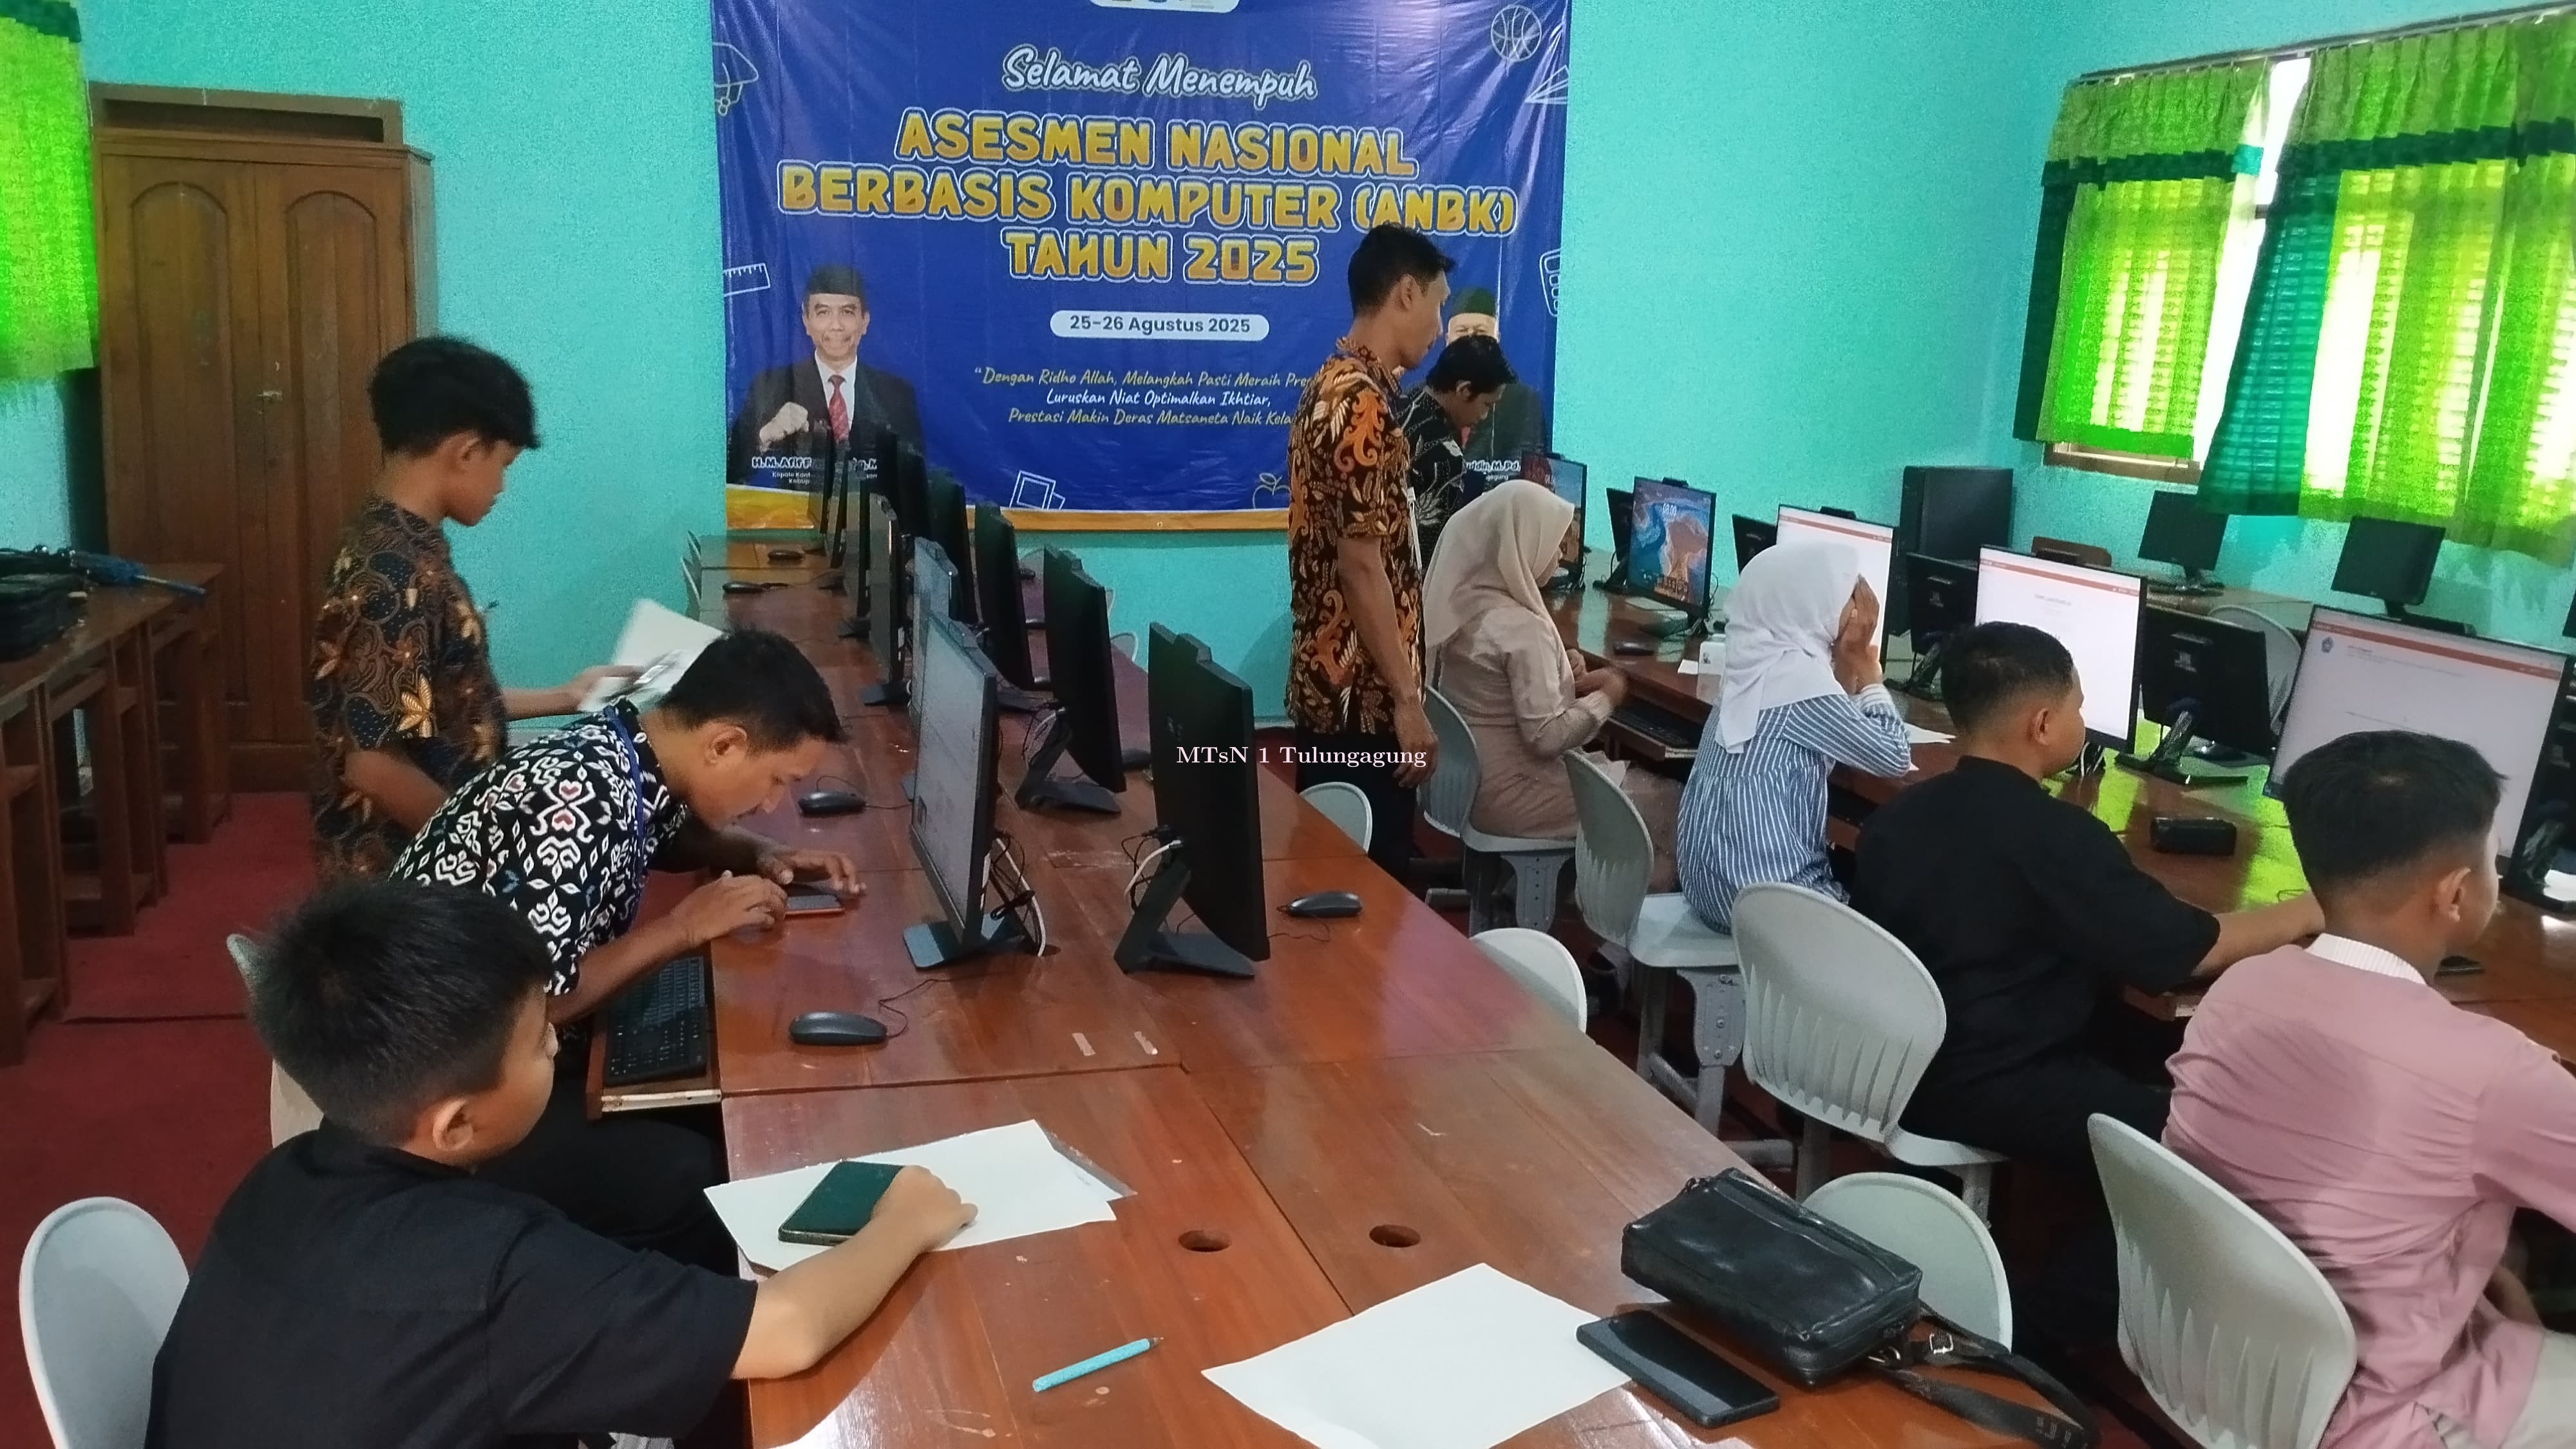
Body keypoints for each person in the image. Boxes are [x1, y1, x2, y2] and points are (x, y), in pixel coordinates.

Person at [146, 878, 973, 1449]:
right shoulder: (497, 1275)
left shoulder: (276, 1181)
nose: (556, 1045)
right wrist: (906, 1220)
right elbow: (787, 1330)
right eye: (541, 1040)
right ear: (457, 1124)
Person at [393, 627, 862, 1273]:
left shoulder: (622, 751)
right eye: (777, 780)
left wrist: (763, 852)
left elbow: (662, 834)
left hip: (499, 1053)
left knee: (712, 1096)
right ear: (724, 745)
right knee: (689, 1173)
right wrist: (683, 928)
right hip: (447, 1098)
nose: (773, 803)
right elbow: (538, 1002)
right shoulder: (574, 800)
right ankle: (693, 1322)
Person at [2167, 732, 2576, 1449]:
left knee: (2508, 1273)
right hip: (2376, 1416)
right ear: (2456, 893)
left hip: (2216, 1361)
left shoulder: (2241, 988)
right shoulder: (2493, 1074)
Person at [1852, 621, 2320, 1177]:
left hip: (1890, 1062)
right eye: (2077, 707)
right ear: (2043, 725)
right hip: (1983, 1085)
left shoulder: (1901, 813)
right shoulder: (2057, 838)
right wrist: (2308, 909)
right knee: (2208, 1134)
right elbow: (2193, 950)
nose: (2082, 719)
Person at [307, 336, 629, 882]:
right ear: (466, 452)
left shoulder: (396, 542)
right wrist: (489, 856)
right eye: (503, 464)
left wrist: (566, 696)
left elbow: (435, 700)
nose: (502, 485)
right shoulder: (395, 574)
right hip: (405, 873)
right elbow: (374, 764)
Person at [1285, 223, 1453, 878]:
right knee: (1369, 896)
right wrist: (1408, 703)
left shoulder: (1330, 384)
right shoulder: (1361, 406)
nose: (1439, 328)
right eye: (1437, 304)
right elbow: (1361, 566)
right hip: (1363, 702)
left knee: (1330, 884)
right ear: (1406, 293)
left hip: (1331, 690)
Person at [1674, 540, 1911, 931]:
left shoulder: (1753, 664)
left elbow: (1833, 721)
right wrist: (1868, 672)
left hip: (1711, 891)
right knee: (1899, 922)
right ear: (1812, 605)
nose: (1858, 609)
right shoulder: (1799, 683)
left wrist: (1846, 659)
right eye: (1848, 595)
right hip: (1767, 905)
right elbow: (1894, 755)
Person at [1423, 480, 1659, 849]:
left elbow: (1496, 687)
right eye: (1554, 544)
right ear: (1524, 545)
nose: (1560, 555)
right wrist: (1610, 693)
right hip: (1519, 794)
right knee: (1668, 806)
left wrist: (1558, 669)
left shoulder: (1462, 605)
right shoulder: (1524, 630)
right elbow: (1547, 737)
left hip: (1468, 784)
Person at [725, 263, 923, 489]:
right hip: (799, 511)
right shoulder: (772, 385)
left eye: (847, 312)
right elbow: (729, 470)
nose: (836, 325)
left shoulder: (896, 394)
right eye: (823, 313)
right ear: (806, 321)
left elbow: (914, 481)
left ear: (865, 322)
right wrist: (766, 434)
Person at [1399, 333, 1516, 565]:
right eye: (1487, 405)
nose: (1485, 416)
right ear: (1464, 390)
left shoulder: (1401, 402)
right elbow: (1433, 561)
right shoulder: (1446, 458)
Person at [1444, 287, 1549, 481]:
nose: (1471, 340)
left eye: (1481, 332)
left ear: (1497, 340)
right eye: (1462, 332)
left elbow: (1531, 480)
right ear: (1447, 340)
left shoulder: (1524, 402)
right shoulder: (1422, 398)